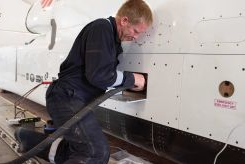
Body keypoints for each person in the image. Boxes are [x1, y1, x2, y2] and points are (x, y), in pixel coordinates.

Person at [15, 0, 153, 163]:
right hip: (66, 98)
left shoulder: (112, 39)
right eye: (136, 31)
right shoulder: (101, 28)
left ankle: (28, 139)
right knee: (95, 152)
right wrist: (132, 78)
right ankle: (28, 138)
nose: (136, 37)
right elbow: (99, 75)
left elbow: (102, 74)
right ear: (124, 21)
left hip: (73, 99)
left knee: (83, 149)